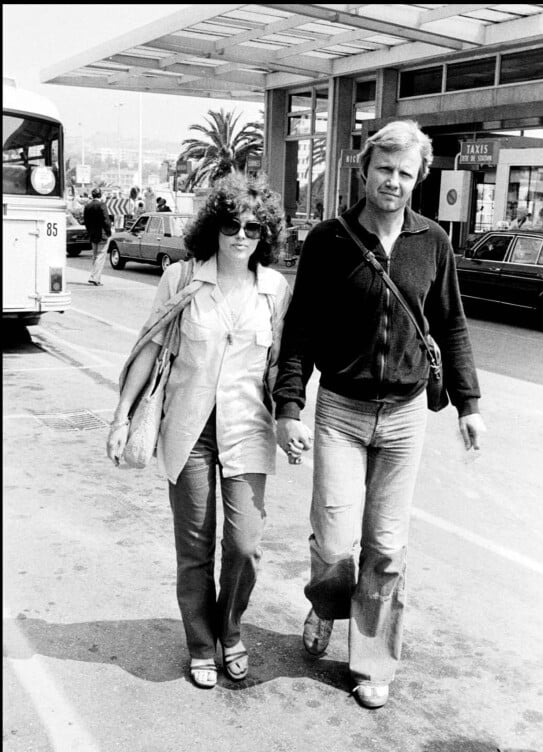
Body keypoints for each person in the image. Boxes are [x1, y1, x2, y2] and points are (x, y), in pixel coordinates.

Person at [273, 119, 486, 710]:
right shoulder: (329, 241)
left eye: (405, 173)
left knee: (387, 546)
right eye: (384, 169)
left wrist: (468, 404)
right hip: (341, 410)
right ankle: (325, 603)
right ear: (364, 170)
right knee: (335, 542)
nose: (393, 181)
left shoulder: (432, 242)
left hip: (405, 415)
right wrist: (288, 405)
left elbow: (452, 326)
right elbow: (300, 330)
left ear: (418, 179)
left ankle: (372, 660)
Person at [106, 175, 290, 690]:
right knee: (194, 548)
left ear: (265, 234)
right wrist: (121, 417)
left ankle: (230, 629)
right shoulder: (182, 278)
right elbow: (149, 346)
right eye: (231, 225)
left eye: (253, 227)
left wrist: (291, 417)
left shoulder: (275, 290)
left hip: (247, 430)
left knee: (245, 545)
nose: (241, 235)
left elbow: (281, 367)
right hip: (188, 431)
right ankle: (201, 644)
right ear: (214, 227)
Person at [83, 187, 112, 286]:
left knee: (95, 256)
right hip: (102, 234)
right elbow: (106, 220)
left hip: (92, 234)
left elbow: (86, 221)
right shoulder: (102, 205)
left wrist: (89, 232)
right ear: (100, 195)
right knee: (100, 256)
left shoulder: (87, 206)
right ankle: (95, 278)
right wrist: (109, 232)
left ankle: (95, 277)